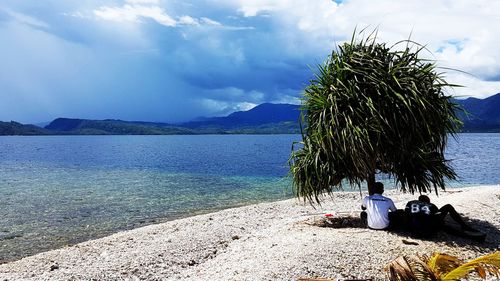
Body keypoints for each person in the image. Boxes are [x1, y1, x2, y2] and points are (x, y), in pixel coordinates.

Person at [405, 195, 486, 241]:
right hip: (428, 232)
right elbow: (437, 217)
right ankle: (464, 227)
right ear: (428, 201)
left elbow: (406, 215)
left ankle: (466, 231)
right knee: (448, 208)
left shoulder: (410, 203)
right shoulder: (431, 206)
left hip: (414, 231)